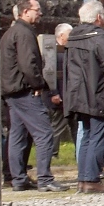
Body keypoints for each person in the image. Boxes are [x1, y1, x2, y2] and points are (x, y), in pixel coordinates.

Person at [0, 0, 66, 192]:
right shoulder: (24, 33)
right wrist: (39, 84)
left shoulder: (10, 33)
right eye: (37, 9)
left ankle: (18, 179)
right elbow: (28, 63)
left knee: (17, 136)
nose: (40, 13)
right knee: (45, 133)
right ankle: (45, 178)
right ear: (25, 11)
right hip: (25, 91)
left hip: (11, 91)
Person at [64, 0, 104, 194]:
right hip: (98, 92)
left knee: (87, 136)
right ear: (99, 17)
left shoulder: (73, 38)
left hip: (78, 95)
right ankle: (91, 179)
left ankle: (83, 179)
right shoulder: (99, 37)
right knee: (99, 135)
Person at [39, 23, 73, 157]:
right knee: (57, 126)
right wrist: (54, 93)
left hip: (68, 96)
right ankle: (52, 152)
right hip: (58, 96)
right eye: (69, 34)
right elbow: (49, 73)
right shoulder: (52, 51)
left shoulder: (65, 50)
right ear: (61, 35)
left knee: (74, 125)